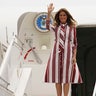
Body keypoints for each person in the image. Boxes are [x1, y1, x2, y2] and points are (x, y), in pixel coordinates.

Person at [44, 3, 83, 96]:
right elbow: (47, 26)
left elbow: (74, 43)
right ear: (58, 17)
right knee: (57, 78)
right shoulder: (56, 27)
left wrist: (74, 56)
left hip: (68, 55)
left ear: (67, 16)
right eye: (61, 15)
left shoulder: (72, 27)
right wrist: (49, 13)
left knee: (66, 78)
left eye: (64, 15)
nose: (62, 17)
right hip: (56, 55)